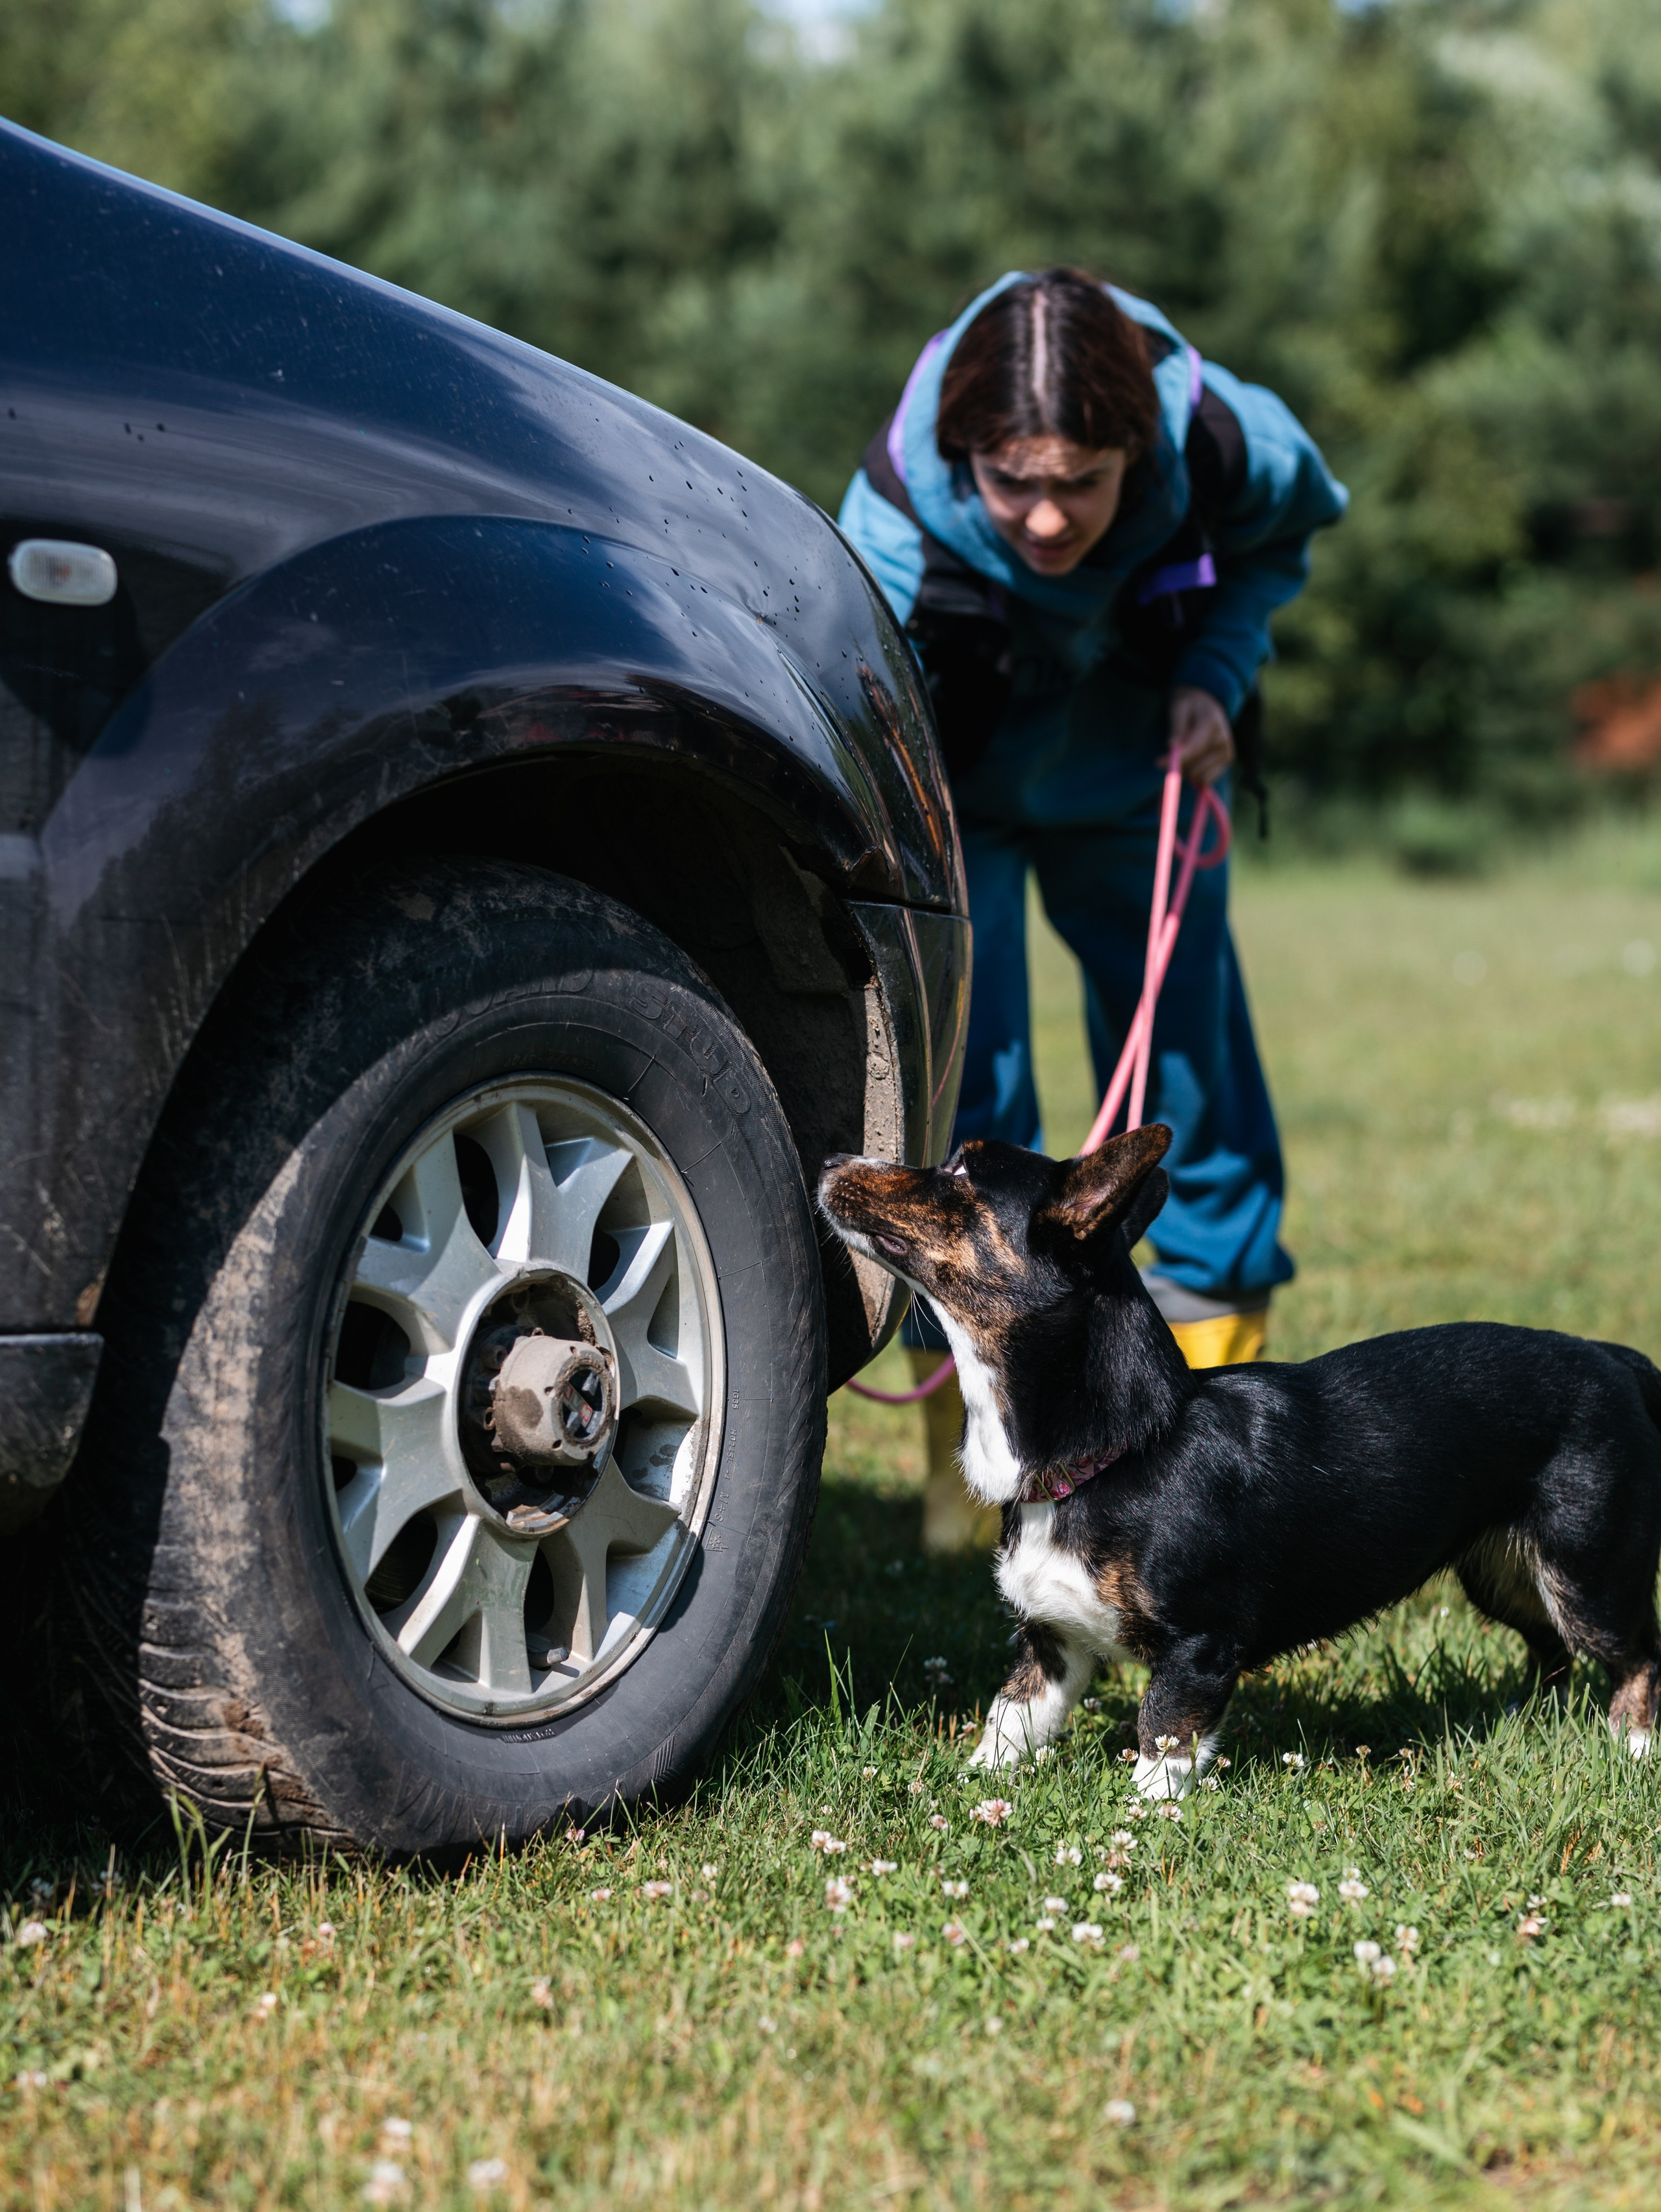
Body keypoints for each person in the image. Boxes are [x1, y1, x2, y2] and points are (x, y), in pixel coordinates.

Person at [838, 267, 1346, 1552]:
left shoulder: (1229, 440)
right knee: (974, 1101)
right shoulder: (890, 520)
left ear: (1140, 446)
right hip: (970, 793)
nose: (1049, 520)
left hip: (1144, 772)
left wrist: (1218, 675)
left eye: (1083, 481)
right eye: (1012, 483)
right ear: (965, 455)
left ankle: (1202, 1426)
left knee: (1192, 1079)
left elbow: (1280, 542)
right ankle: (975, 1467)